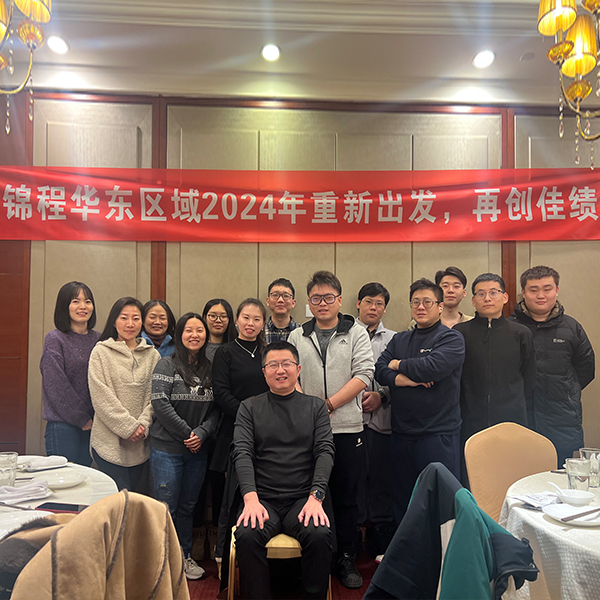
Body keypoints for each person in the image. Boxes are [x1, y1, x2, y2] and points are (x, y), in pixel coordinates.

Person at [288, 270, 374, 589]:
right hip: (309, 431)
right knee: (312, 495)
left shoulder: (356, 332)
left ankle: (347, 557)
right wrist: (310, 409)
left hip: (348, 428)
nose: (322, 303)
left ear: (339, 300)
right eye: (316, 298)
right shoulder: (298, 335)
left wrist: (329, 404)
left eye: (328, 297)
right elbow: (291, 374)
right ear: (309, 303)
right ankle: (317, 557)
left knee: (347, 497)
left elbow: (364, 374)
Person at [232, 341, 335, 600]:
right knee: (247, 534)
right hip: (262, 499)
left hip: (303, 499)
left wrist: (316, 497)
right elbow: (242, 453)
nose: (280, 370)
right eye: (273, 365)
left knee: (319, 534)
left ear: (298, 369)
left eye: (287, 364)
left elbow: (325, 452)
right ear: (264, 372)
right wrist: (250, 499)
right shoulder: (249, 407)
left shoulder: (316, 407)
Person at [375, 278, 465, 524]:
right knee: (403, 501)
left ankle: (443, 547)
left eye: (427, 302)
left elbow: (431, 367)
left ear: (440, 306)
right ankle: (406, 546)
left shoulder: (451, 338)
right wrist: (408, 381)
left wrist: (398, 364)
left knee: (442, 501)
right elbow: (379, 370)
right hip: (401, 433)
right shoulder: (400, 339)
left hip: (438, 434)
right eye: (415, 302)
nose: (421, 307)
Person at [150, 312, 220, 580]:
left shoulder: (211, 368)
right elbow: (160, 403)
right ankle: (162, 562)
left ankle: (184, 556)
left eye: (199, 330)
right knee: (165, 507)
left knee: (188, 507)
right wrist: (188, 433)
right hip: (167, 450)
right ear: (179, 335)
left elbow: (217, 409)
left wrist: (201, 433)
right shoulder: (166, 364)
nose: (194, 335)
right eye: (188, 330)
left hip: (197, 450)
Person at [454, 273, 536, 483]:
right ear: (473, 300)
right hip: (470, 419)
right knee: (473, 478)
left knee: (510, 476)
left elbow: (528, 377)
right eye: (481, 294)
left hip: (511, 419)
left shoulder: (521, 333)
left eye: (493, 292)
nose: (487, 298)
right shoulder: (460, 333)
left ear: (505, 297)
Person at [510, 265, 596, 464]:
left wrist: (566, 390)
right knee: (520, 473)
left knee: (557, 475)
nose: (540, 295)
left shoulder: (572, 327)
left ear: (556, 290)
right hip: (520, 416)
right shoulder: (509, 328)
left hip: (561, 417)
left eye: (547, 289)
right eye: (533, 290)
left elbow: (586, 369)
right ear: (523, 292)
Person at [210, 299, 269, 547]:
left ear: (263, 323)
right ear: (236, 321)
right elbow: (221, 393)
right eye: (246, 317)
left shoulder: (268, 352)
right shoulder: (225, 352)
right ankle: (224, 548)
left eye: (257, 319)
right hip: (233, 428)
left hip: (266, 430)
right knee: (230, 492)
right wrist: (248, 417)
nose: (250, 323)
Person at [88, 296, 160, 492]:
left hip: (141, 444)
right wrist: (128, 427)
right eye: (124, 318)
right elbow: (101, 397)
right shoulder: (100, 352)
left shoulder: (153, 355)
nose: (130, 324)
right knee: (117, 501)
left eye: (136, 318)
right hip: (107, 442)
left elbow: (156, 396)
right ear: (114, 321)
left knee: (137, 500)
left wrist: (142, 425)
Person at [355, 282, 396, 559]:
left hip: (382, 422)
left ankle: (382, 541)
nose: (373, 307)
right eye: (369, 302)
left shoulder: (395, 339)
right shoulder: (345, 334)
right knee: (354, 481)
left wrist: (382, 396)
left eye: (379, 303)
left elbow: (399, 378)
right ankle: (353, 541)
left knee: (382, 481)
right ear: (358, 304)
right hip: (351, 422)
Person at [40, 281, 100, 466]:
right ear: (64, 306)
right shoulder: (55, 339)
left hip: (95, 425)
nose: (83, 306)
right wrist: (81, 418)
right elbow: (55, 385)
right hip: (63, 426)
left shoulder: (100, 339)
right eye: (76, 301)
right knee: (64, 478)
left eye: (87, 301)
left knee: (86, 479)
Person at [264, 277, 300, 343]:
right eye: (275, 295)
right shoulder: (259, 332)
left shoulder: (302, 333)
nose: (280, 300)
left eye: (286, 296)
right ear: (268, 301)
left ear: (293, 303)